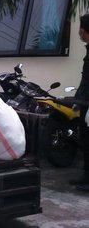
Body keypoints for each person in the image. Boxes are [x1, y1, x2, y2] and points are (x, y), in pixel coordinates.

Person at [72, 13, 89, 191]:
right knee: (85, 138)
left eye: (81, 30)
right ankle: (86, 175)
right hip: (85, 102)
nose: (79, 33)